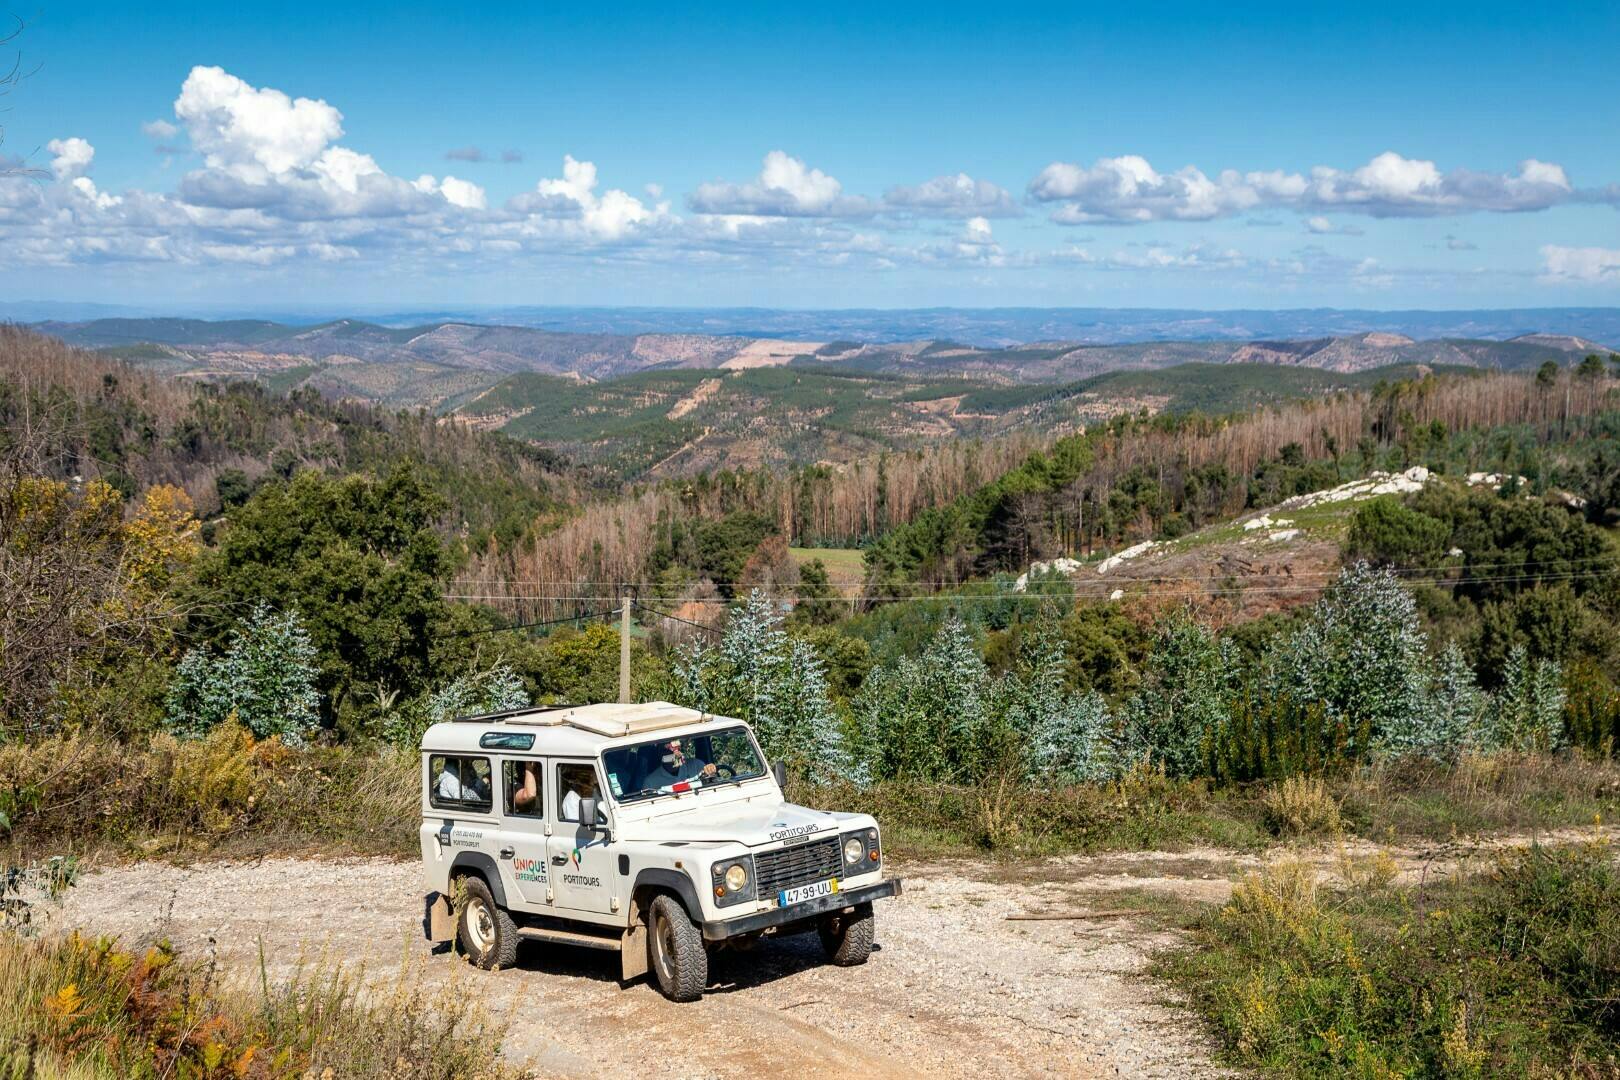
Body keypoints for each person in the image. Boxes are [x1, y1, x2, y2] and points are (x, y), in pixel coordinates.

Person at [641, 740, 718, 790]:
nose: (674, 753)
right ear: (660, 753)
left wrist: (710, 770)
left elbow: (712, 786)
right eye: (668, 750)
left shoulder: (696, 765)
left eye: (676, 748)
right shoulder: (650, 782)